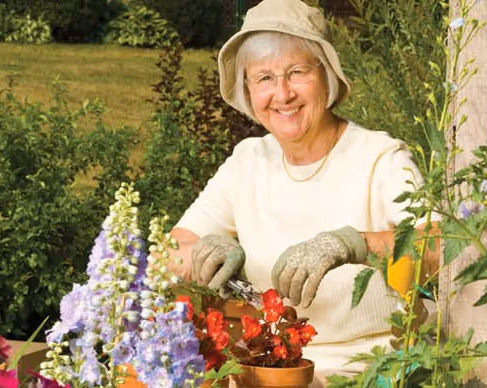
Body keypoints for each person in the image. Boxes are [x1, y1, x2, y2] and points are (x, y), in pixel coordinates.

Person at [169, 0, 438, 384]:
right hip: (267, 372)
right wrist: (202, 252)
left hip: (372, 370)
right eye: (263, 78)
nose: (282, 93)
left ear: (327, 77)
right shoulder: (248, 162)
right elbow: (167, 252)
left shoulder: (378, 157)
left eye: (297, 72)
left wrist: (352, 243)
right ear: (247, 90)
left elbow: (442, 248)